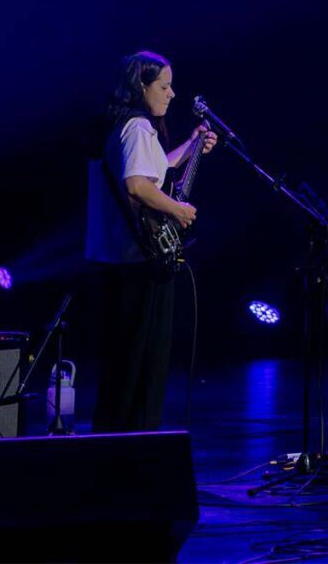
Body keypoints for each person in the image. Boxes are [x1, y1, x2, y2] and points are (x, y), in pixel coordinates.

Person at [85, 50, 217, 433]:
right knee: (145, 368)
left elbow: (152, 168)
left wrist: (191, 146)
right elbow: (138, 185)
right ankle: (137, 457)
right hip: (140, 264)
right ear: (140, 87)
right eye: (164, 86)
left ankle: (111, 449)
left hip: (116, 262)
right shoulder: (140, 128)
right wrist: (177, 210)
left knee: (120, 367)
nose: (172, 94)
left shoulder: (117, 126)